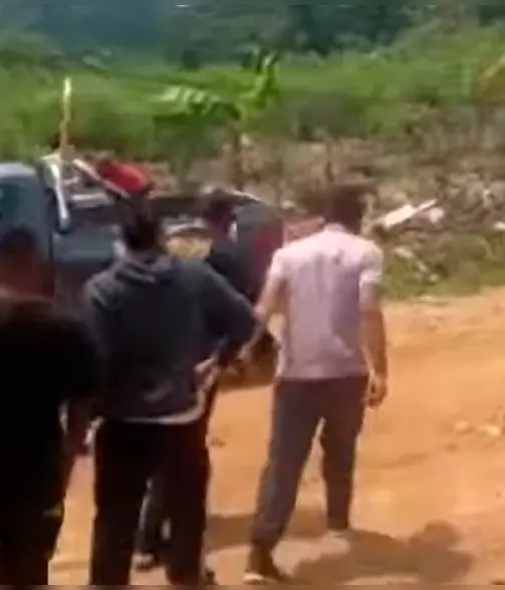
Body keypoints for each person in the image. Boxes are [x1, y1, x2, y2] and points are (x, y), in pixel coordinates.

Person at [84, 203, 258, 586]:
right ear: (162, 239)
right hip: (182, 416)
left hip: (123, 422)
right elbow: (245, 320)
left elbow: (96, 359)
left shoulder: (102, 290)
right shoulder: (195, 277)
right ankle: (185, 577)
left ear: (121, 243)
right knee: (186, 511)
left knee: (115, 517)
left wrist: (90, 413)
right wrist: (218, 361)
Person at [243, 183, 387, 584]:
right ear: (357, 217)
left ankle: (260, 553)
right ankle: (338, 520)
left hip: (296, 375)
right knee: (340, 448)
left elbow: (264, 308)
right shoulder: (367, 253)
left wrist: (242, 352)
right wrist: (382, 369)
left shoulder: (287, 255)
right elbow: (370, 311)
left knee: (283, 464)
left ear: (324, 215)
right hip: (347, 371)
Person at [0, 226, 100, 586]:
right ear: (35, 261)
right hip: (37, 463)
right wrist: (66, 463)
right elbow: (80, 405)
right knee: (28, 573)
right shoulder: (69, 326)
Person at [137, 190, 258, 566]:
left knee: (158, 445)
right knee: (185, 446)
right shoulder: (226, 254)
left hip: (148, 358)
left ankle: (150, 535)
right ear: (226, 220)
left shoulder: (169, 246)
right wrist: (224, 358)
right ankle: (157, 539)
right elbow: (242, 311)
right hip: (197, 362)